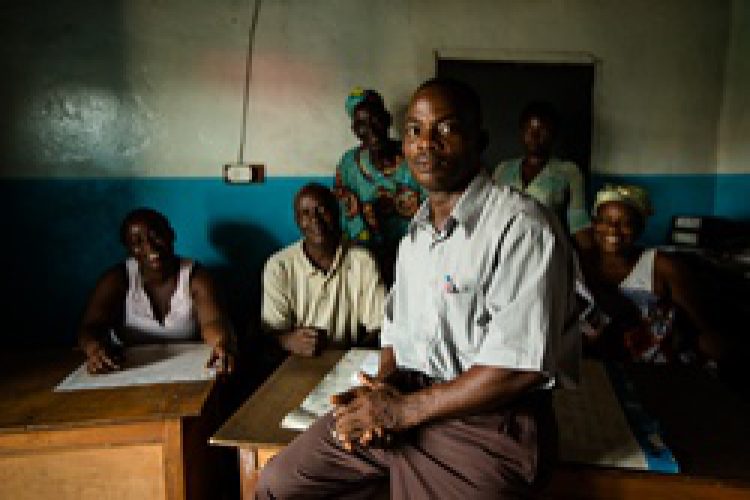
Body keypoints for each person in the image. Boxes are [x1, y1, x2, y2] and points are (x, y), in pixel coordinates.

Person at [255, 79, 580, 499]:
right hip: (408, 403)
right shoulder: (415, 239)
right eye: (415, 130)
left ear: (478, 140)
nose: (427, 143)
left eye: (445, 129)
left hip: (482, 430)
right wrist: (379, 397)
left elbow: (518, 367)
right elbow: (394, 338)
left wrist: (403, 412)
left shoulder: (521, 227)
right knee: (279, 484)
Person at [78, 208, 235, 375]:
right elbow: (91, 327)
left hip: (190, 371)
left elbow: (214, 322)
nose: (150, 247)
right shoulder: (117, 279)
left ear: (171, 235)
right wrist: (94, 349)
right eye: (137, 242)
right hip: (128, 371)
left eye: (155, 236)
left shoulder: (196, 277)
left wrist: (221, 344)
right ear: (128, 249)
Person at [579, 185, 724, 364]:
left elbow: (702, 329)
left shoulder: (663, 267)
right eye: (604, 220)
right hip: (596, 368)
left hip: (658, 371)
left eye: (626, 223)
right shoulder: (578, 264)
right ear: (594, 224)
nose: (613, 229)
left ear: (640, 228)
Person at [261, 183, 385, 356]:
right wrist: (288, 341)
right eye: (305, 213)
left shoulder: (362, 261)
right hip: (295, 364)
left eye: (322, 210)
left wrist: (350, 357)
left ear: (336, 213)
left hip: (348, 361)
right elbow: (270, 337)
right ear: (297, 221)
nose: (315, 219)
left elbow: (380, 327)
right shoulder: (279, 267)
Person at [334, 87, 426, 283]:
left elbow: (433, 209)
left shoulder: (415, 156)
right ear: (354, 130)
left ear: (387, 119)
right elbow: (346, 217)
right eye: (361, 124)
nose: (371, 130)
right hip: (368, 263)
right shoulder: (349, 165)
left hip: (416, 260)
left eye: (375, 119)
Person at [493, 101, 592, 250]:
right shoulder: (503, 169)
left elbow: (578, 222)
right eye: (529, 129)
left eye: (542, 130)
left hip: (547, 250)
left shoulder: (568, 171)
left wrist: (593, 257)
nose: (534, 136)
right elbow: (492, 215)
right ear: (521, 132)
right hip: (505, 248)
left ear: (553, 133)